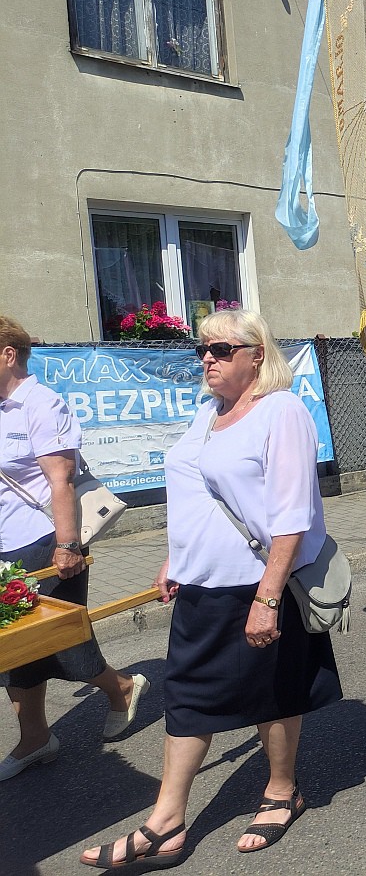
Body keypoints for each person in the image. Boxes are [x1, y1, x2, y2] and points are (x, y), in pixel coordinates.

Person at [80, 310, 341, 866]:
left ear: (257, 355)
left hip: (259, 582)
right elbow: (195, 492)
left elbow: (293, 515)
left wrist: (268, 598)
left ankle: (280, 792)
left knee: (276, 691)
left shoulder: (281, 411)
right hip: (201, 585)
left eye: (224, 349)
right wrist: (175, 558)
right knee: (189, 697)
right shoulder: (207, 412)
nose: (209, 358)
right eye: (205, 348)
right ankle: (167, 822)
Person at [0, 316, 148, 784]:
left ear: (7, 354)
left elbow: (60, 480)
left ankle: (121, 687)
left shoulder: (41, 404)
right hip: (4, 543)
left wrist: (67, 546)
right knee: (14, 650)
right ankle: (36, 738)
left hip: (43, 539)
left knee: (60, 639)